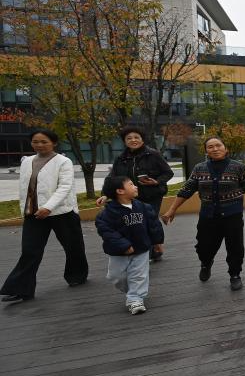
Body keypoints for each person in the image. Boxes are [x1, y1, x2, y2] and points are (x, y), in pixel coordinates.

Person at [2, 129, 89, 303]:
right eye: (35, 142)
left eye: (44, 142)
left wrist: (48, 207)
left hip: (62, 212)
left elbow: (65, 187)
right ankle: (20, 289)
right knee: (30, 251)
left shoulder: (63, 161)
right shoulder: (27, 161)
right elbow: (26, 188)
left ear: (54, 143)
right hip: (34, 214)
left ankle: (77, 275)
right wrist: (25, 209)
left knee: (73, 247)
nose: (39, 145)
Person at [161, 137, 245, 291]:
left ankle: (235, 275)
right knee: (203, 246)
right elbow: (187, 189)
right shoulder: (200, 168)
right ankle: (206, 263)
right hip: (208, 215)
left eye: (218, 145)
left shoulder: (238, 167)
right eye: (210, 147)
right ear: (206, 151)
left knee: (235, 247)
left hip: (232, 215)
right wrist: (172, 210)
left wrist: (231, 198)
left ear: (225, 148)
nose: (215, 149)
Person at [96, 127, 173, 260]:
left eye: (136, 137)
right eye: (129, 138)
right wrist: (105, 194)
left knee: (148, 223)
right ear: (124, 141)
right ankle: (145, 251)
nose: (133, 140)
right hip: (129, 198)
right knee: (135, 224)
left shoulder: (153, 154)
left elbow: (168, 173)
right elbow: (112, 178)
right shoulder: (121, 158)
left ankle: (149, 253)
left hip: (151, 196)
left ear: (142, 139)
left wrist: (156, 181)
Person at [95, 176, 164, 314]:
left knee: (139, 275)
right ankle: (133, 291)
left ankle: (135, 299)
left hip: (141, 248)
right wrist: (124, 246)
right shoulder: (107, 213)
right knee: (116, 277)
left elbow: (154, 226)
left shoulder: (143, 207)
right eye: (131, 184)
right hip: (118, 252)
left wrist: (157, 242)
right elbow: (107, 232)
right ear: (120, 191)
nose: (136, 186)